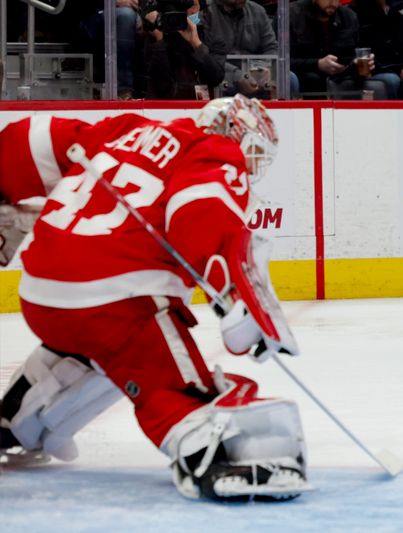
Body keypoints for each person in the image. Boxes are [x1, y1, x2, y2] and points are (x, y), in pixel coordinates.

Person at [0, 95, 311, 502]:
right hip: (119, 299)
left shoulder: (128, 129)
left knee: (98, 352)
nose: (251, 165)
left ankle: (18, 418)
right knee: (168, 382)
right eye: (253, 151)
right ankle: (214, 453)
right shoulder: (214, 151)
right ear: (236, 135)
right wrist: (239, 296)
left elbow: (34, 139)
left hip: (42, 292)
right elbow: (201, 210)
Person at [290, 0, 395, 97]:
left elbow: (359, 51)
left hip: (346, 74)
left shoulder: (349, 16)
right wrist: (317, 64)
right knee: (312, 79)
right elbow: (283, 62)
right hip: (307, 74)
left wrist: (361, 62)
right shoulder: (292, 14)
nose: (332, 2)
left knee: (391, 80)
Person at [202, 0, 299, 98]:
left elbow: (271, 47)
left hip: (254, 69)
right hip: (221, 71)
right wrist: (237, 75)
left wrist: (261, 68)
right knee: (222, 81)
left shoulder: (258, 11)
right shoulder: (204, 13)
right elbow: (205, 54)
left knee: (289, 78)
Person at [142, 0, 226, 99]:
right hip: (163, 109)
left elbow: (215, 78)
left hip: (200, 109)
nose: (190, 11)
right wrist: (160, 40)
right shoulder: (156, 38)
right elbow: (161, 86)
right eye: (181, 7)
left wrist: (197, 44)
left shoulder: (212, 40)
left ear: (199, 7)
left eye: (193, 5)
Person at [350, 0, 403, 97]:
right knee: (391, 80)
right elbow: (361, 55)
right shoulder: (356, 11)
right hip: (376, 70)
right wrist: (399, 70)